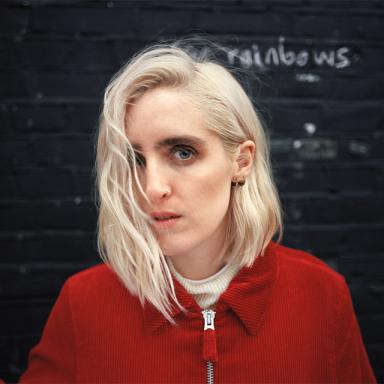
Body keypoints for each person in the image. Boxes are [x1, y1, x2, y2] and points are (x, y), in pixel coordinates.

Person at [19, 41, 376, 383]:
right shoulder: (85, 302)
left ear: (241, 161)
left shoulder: (320, 296)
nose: (151, 186)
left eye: (182, 152)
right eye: (135, 159)